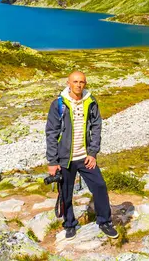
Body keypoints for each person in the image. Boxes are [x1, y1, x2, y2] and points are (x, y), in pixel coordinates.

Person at [45, 71, 119, 239]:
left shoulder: (91, 102)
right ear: (68, 83)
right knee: (65, 192)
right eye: (75, 81)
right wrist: (52, 161)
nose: (78, 85)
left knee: (99, 186)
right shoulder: (58, 104)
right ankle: (69, 224)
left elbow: (96, 127)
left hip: (85, 157)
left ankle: (105, 222)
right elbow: (51, 133)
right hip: (65, 159)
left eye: (82, 82)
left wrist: (93, 153)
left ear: (85, 84)